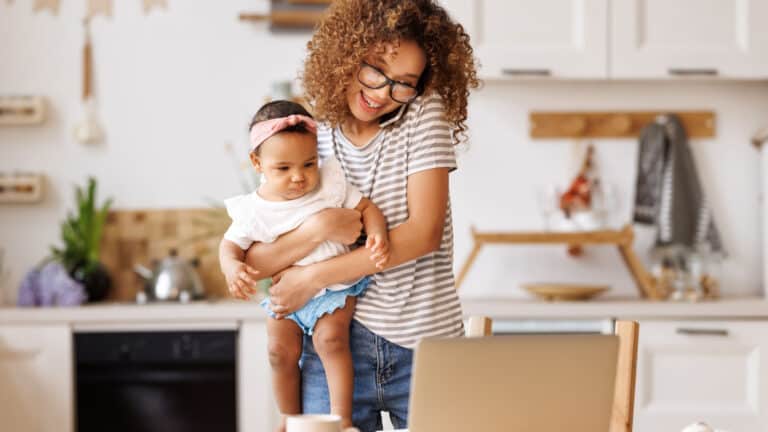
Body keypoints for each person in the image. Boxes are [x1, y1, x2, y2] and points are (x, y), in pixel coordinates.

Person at [232, 1, 479, 430]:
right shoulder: (312, 132)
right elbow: (255, 261)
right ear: (346, 54)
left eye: (404, 83)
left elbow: (422, 234)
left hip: (423, 342)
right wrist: (321, 227)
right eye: (375, 70)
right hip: (334, 341)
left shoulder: (424, 113)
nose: (384, 92)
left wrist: (312, 277)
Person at [219, 100, 390, 431]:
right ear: (257, 162)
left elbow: (367, 208)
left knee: (331, 342)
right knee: (277, 352)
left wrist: (378, 234)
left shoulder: (329, 184)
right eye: (283, 169)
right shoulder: (253, 210)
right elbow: (230, 245)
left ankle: (341, 418)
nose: (299, 177)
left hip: (333, 288)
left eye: (308, 164)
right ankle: (288, 415)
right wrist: (231, 268)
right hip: (286, 294)